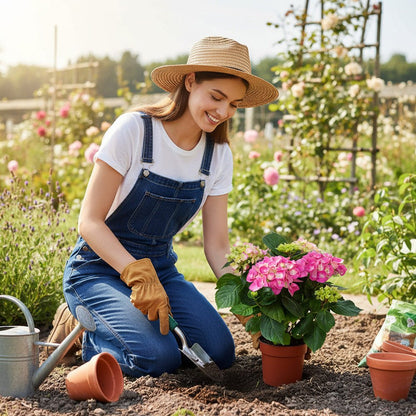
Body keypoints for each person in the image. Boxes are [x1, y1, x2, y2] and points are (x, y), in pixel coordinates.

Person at [47, 36, 279, 377]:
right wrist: (136, 275)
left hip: (160, 272)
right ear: (189, 82)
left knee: (220, 352)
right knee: (157, 359)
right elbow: (90, 222)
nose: (223, 112)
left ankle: (126, 324)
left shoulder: (217, 155)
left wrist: (247, 305)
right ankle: (78, 326)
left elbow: (217, 248)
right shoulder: (135, 130)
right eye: (216, 96)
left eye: (234, 104)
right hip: (97, 269)